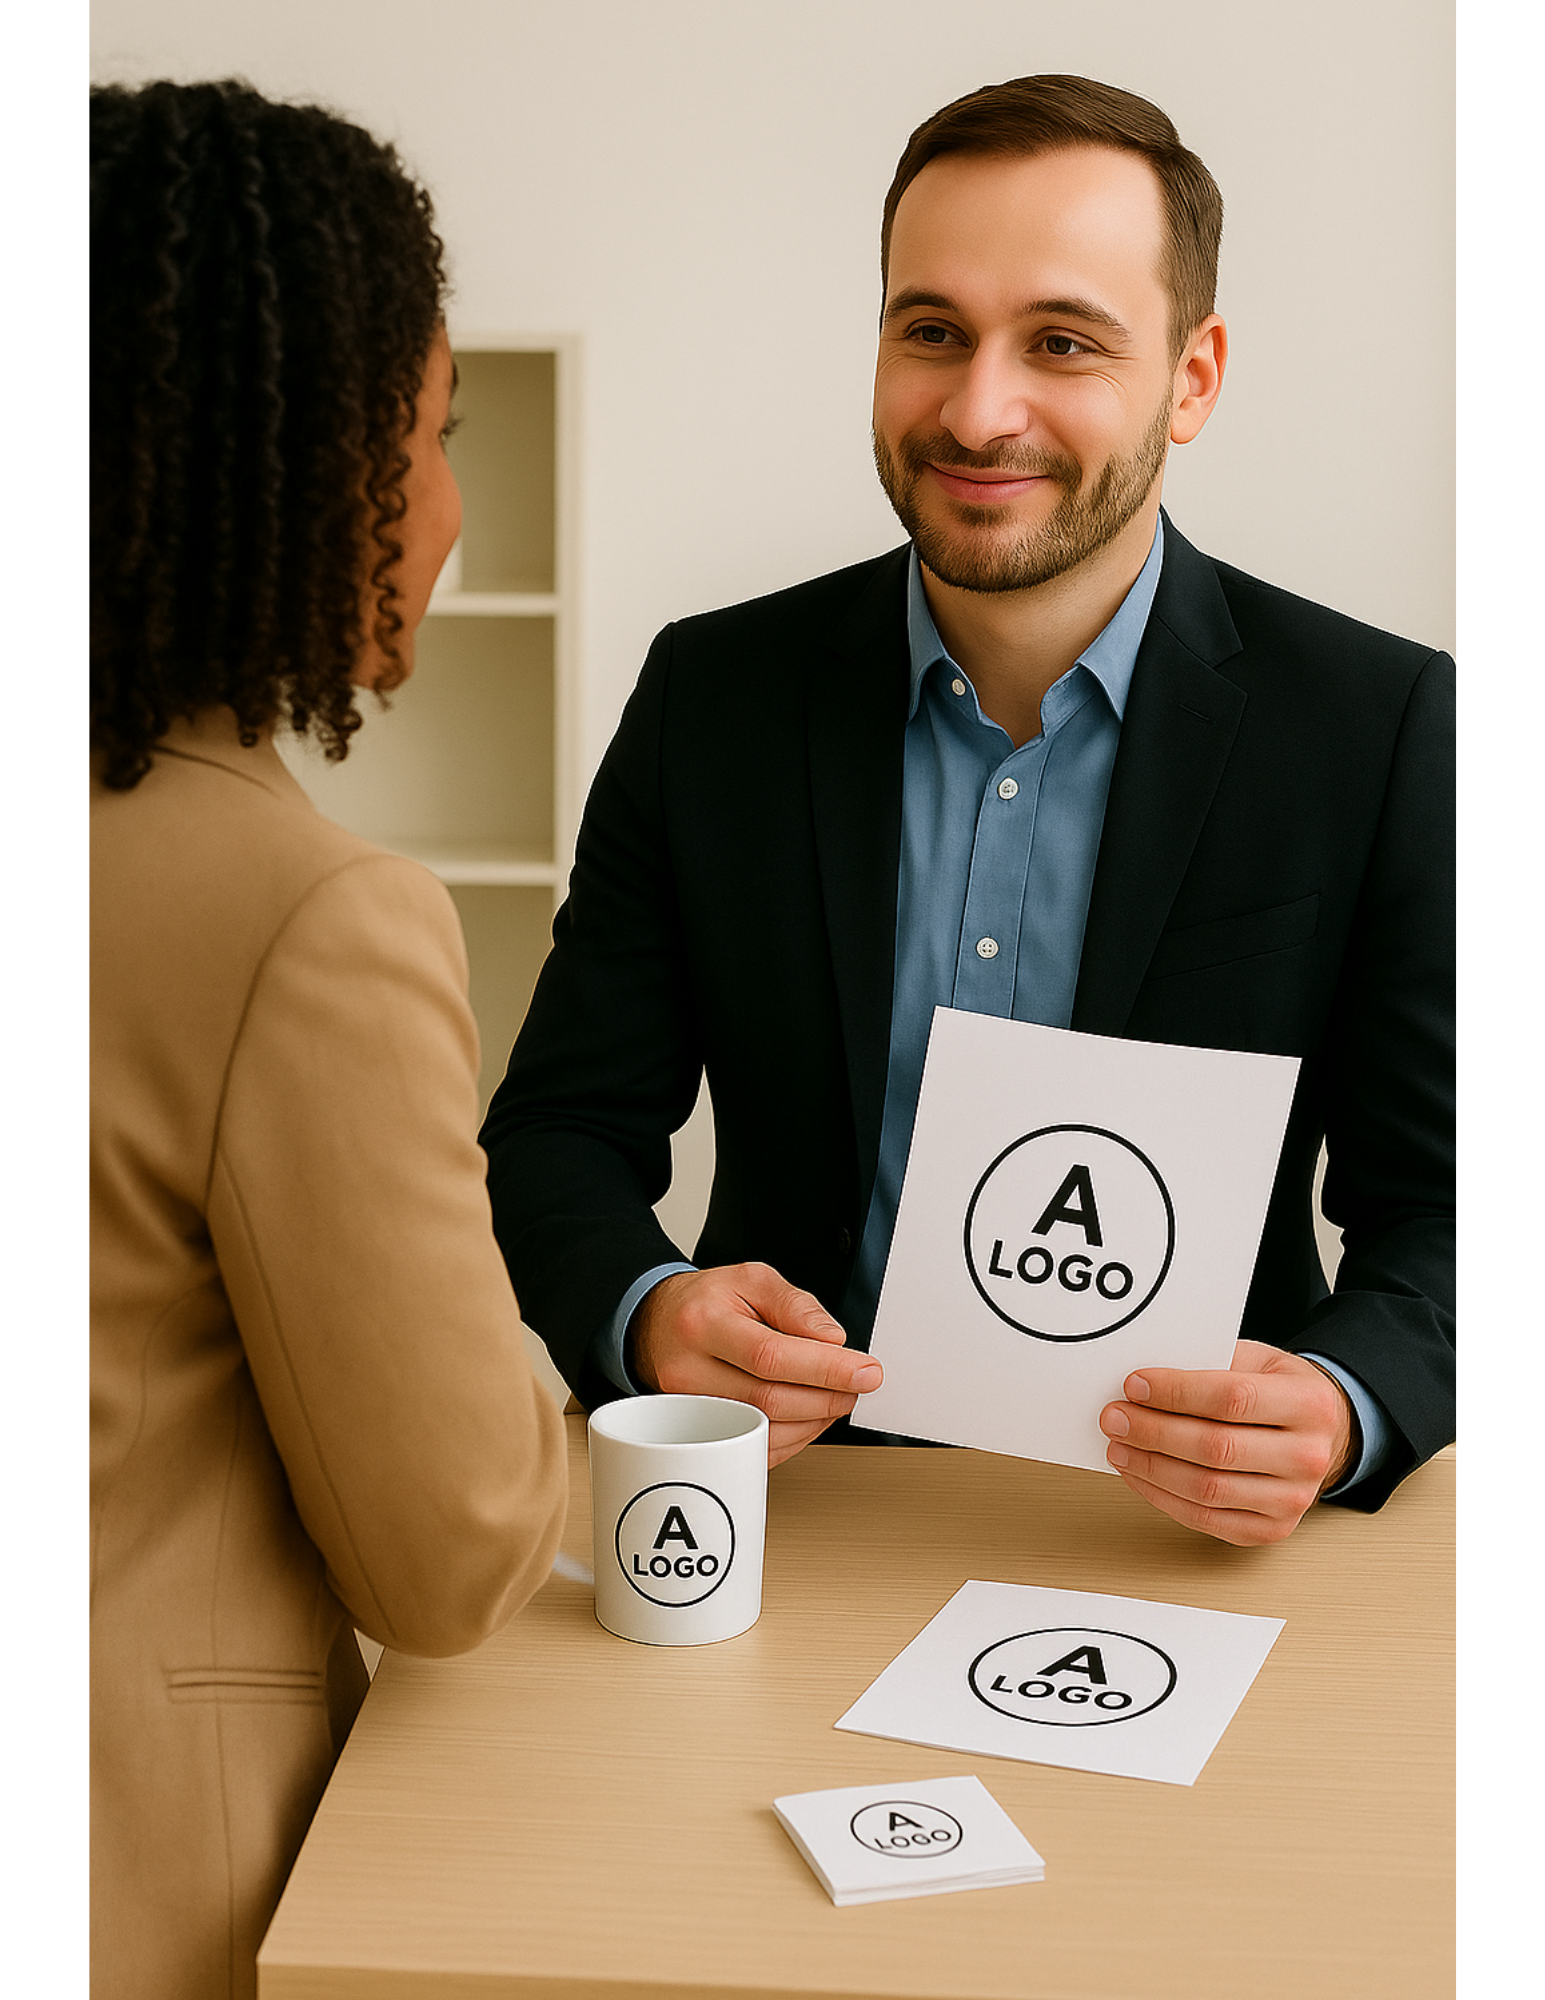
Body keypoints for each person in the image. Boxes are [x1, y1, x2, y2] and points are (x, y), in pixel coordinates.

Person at [481, 75, 1454, 1549]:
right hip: (788, 1523)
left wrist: (1350, 1404)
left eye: (1062, 342)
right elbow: (553, 1132)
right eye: (930, 331)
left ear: (1194, 378)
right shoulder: (712, 696)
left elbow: (1463, 1205)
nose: (978, 408)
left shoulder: (1383, 728)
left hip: (1190, 1549)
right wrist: (647, 1312)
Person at [89, 80, 568, 2000]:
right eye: (430, 432)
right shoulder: (305, 922)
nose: (453, 509)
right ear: (271, 462)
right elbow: (450, 1553)